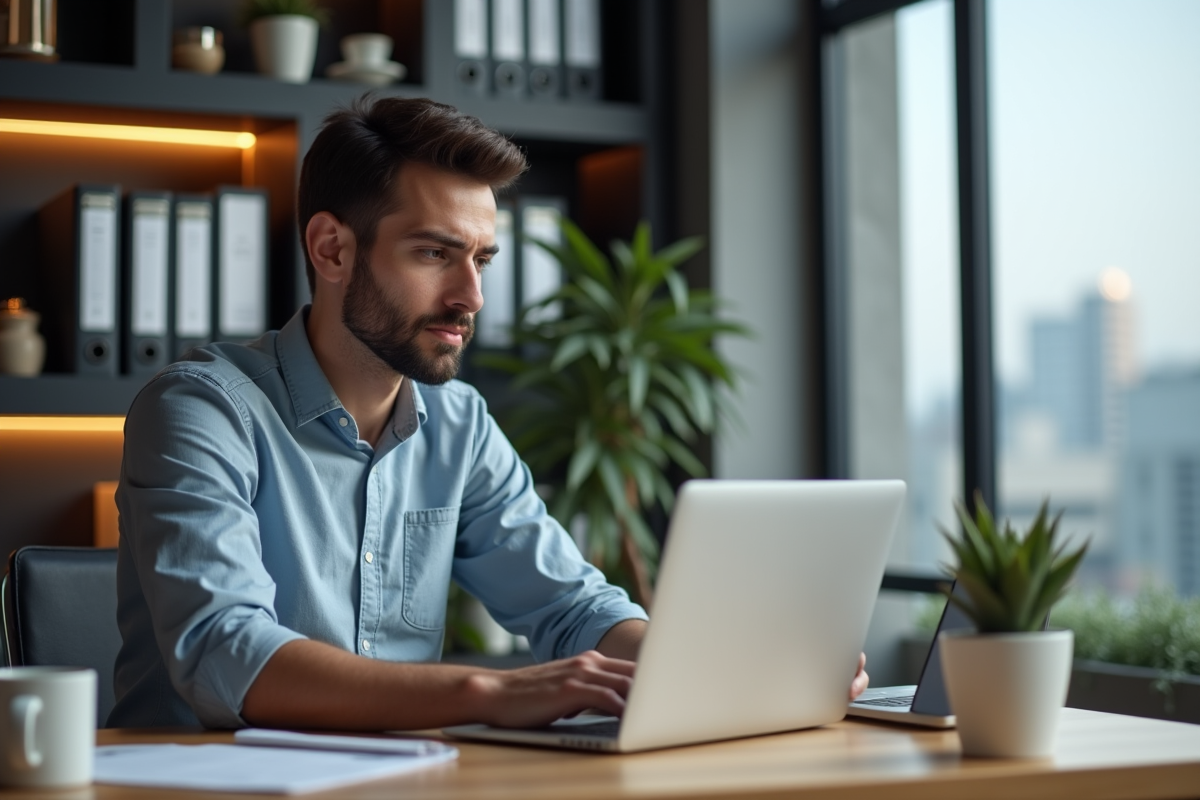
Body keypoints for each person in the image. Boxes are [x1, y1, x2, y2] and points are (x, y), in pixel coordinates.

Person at [109, 96, 868, 730]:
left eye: (482, 259)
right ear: (332, 250)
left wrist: (727, 671)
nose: (471, 298)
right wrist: (487, 691)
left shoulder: (458, 424)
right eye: (435, 254)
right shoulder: (201, 410)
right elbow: (225, 650)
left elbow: (574, 609)